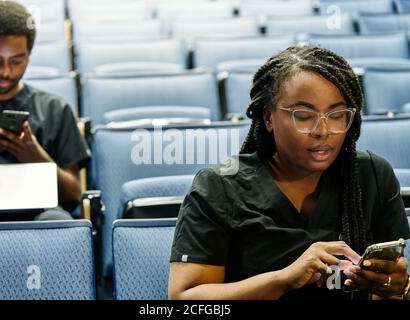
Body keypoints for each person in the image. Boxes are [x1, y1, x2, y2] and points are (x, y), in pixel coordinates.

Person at [169, 46, 410, 300]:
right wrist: (284, 278)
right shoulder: (218, 187)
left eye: (337, 115)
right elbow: (185, 299)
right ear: (269, 118)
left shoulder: (372, 175)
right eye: (304, 116)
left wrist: (398, 288)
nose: (323, 130)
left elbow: (391, 289)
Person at [0, 1, 90, 219]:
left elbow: (73, 196)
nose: (5, 71)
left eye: (17, 61)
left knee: (56, 220)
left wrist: (36, 157)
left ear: (28, 55)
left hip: (34, 219)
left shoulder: (54, 110)